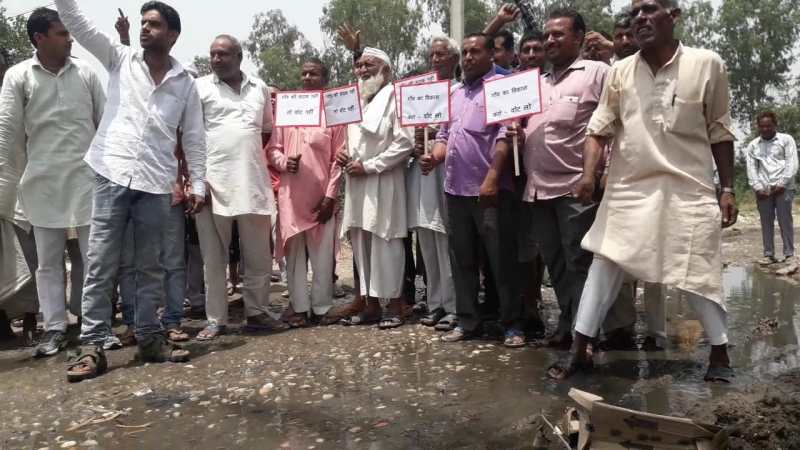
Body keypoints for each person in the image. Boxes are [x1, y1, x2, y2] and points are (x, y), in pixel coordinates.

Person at [548, 0, 738, 382]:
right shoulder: (620, 71)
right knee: (606, 261)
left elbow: (720, 130)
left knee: (696, 268)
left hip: (689, 187)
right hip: (629, 187)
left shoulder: (707, 63)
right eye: (634, 13)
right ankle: (579, 349)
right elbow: (599, 128)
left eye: (649, 9)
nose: (640, 19)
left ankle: (719, 354)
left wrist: (728, 187)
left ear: (674, 15)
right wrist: (588, 174)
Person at [55, 0, 207, 382]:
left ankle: (150, 339)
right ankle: (91, 345)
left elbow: (193, 137)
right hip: (111, 173)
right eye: (143, 23)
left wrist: (199, 184)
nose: (144, 28)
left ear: (172, 35)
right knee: (101, 262)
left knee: (150, 267)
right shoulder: (120, 59)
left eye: (154, 24)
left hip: (156, 183)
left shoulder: (185, 82)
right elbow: (76, 20)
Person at [0, 8, 105, 358]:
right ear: (39, 39)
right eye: (61, 33)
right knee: (48, 263)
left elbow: (104, 125)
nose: (70, 38)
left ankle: (95, 326)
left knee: (93, 258)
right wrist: (8, 190)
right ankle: (55, 328)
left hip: (86, 180)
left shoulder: (86, 72)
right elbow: (9, 138)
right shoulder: (19, 77)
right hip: (41, 184)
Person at [420, 33, 524, 347]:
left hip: (489, 191)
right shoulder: (455, 93)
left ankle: (512, 325)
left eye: (474, 52)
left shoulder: (501, 88)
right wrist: (433, 158)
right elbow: (443, 135)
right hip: (455, 191)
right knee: (461, 259)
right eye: (464, 52)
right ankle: (467, 322)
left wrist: (492, 178)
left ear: (491, 54)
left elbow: (507, 137)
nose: (467, 58)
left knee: (501, 260)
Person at [519, 8, 609, 349]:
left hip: (576, 188)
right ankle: (567, 326)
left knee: (580, 262)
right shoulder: (536, 83)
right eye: (548, 35)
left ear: (579, 37)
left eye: (559, 34)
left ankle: (585, 336)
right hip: (538, 190)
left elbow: (611, 126)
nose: (550, 40)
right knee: (555, 264)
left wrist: (598, 175)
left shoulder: (597, 73)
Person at [193, 35, 285, 340]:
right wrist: (195, 179)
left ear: (239, 57)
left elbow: (265, 132)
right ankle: (216, 319)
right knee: (214, 257)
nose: (216, 59)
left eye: (223, 54)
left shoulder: (259, 87)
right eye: (213, 54)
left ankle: (256, 312)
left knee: (258, 255)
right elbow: (188, 135)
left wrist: (243, 159)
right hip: (211, 185)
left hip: (252, 184)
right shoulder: (200, 87)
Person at [336, 47, 414, 330]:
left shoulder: (396, 97)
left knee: (387, 241)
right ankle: (370, 306)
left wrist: (370, 165)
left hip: (383, 181)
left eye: (370, 65)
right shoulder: (356, 101)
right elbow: (349, 140)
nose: (363, 70)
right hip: (356, 183)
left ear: (386, 70)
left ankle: (394, 306)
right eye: (359, 66)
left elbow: (405, 143)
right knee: (361, 242)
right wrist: (342, 153)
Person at [266, 57, 344, 328]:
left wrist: (331, 195)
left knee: (322, 256)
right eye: (304, 74)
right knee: (294, 254)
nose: (308, 78)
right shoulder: (287, 110)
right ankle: (299, 307)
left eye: (314, 74)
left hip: (322, 196)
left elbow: (339, 158)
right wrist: (283, 162)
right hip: (291, 196)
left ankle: (321, 307)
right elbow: (273, 149)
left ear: (325, 79)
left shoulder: (333, 113)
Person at [409, 37, 459, 331]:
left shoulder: (458, 91)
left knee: (446, 240)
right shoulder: (421, 93)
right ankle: (435, 302)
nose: (435, 59)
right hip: (422, 172)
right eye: (432, 54)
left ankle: (453, 306)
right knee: (426, 238)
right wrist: (416, 139)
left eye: (441, 54)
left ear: (454, 60)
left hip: (446, 172)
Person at [745, 111, 798, 265]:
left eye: (769, 125)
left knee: (785, 220)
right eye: (762, 126)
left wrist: (782, 183)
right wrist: (757, 187)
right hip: (763, 188)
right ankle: (768, 254)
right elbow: (752, 168)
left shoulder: (786, 140)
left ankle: (789, 254)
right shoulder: (753, 145)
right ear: (758, 127)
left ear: (775, 125)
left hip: (784, 187)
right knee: (766, 221)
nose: (765, 129)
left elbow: (792, 163)